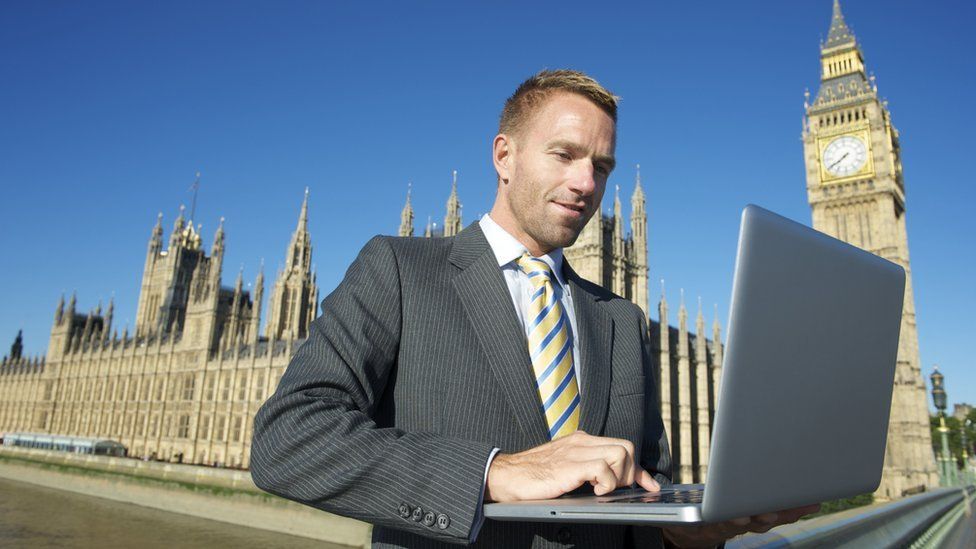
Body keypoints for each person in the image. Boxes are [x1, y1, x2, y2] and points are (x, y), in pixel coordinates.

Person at [250, 69, 818, 548]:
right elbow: (287, 438)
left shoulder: (621, 320)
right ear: (505, 155)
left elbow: (644, 491)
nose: (584, 182)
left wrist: (685, 529)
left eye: (602, 166)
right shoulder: (400, 270)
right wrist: (493, 472)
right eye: (565, 155)